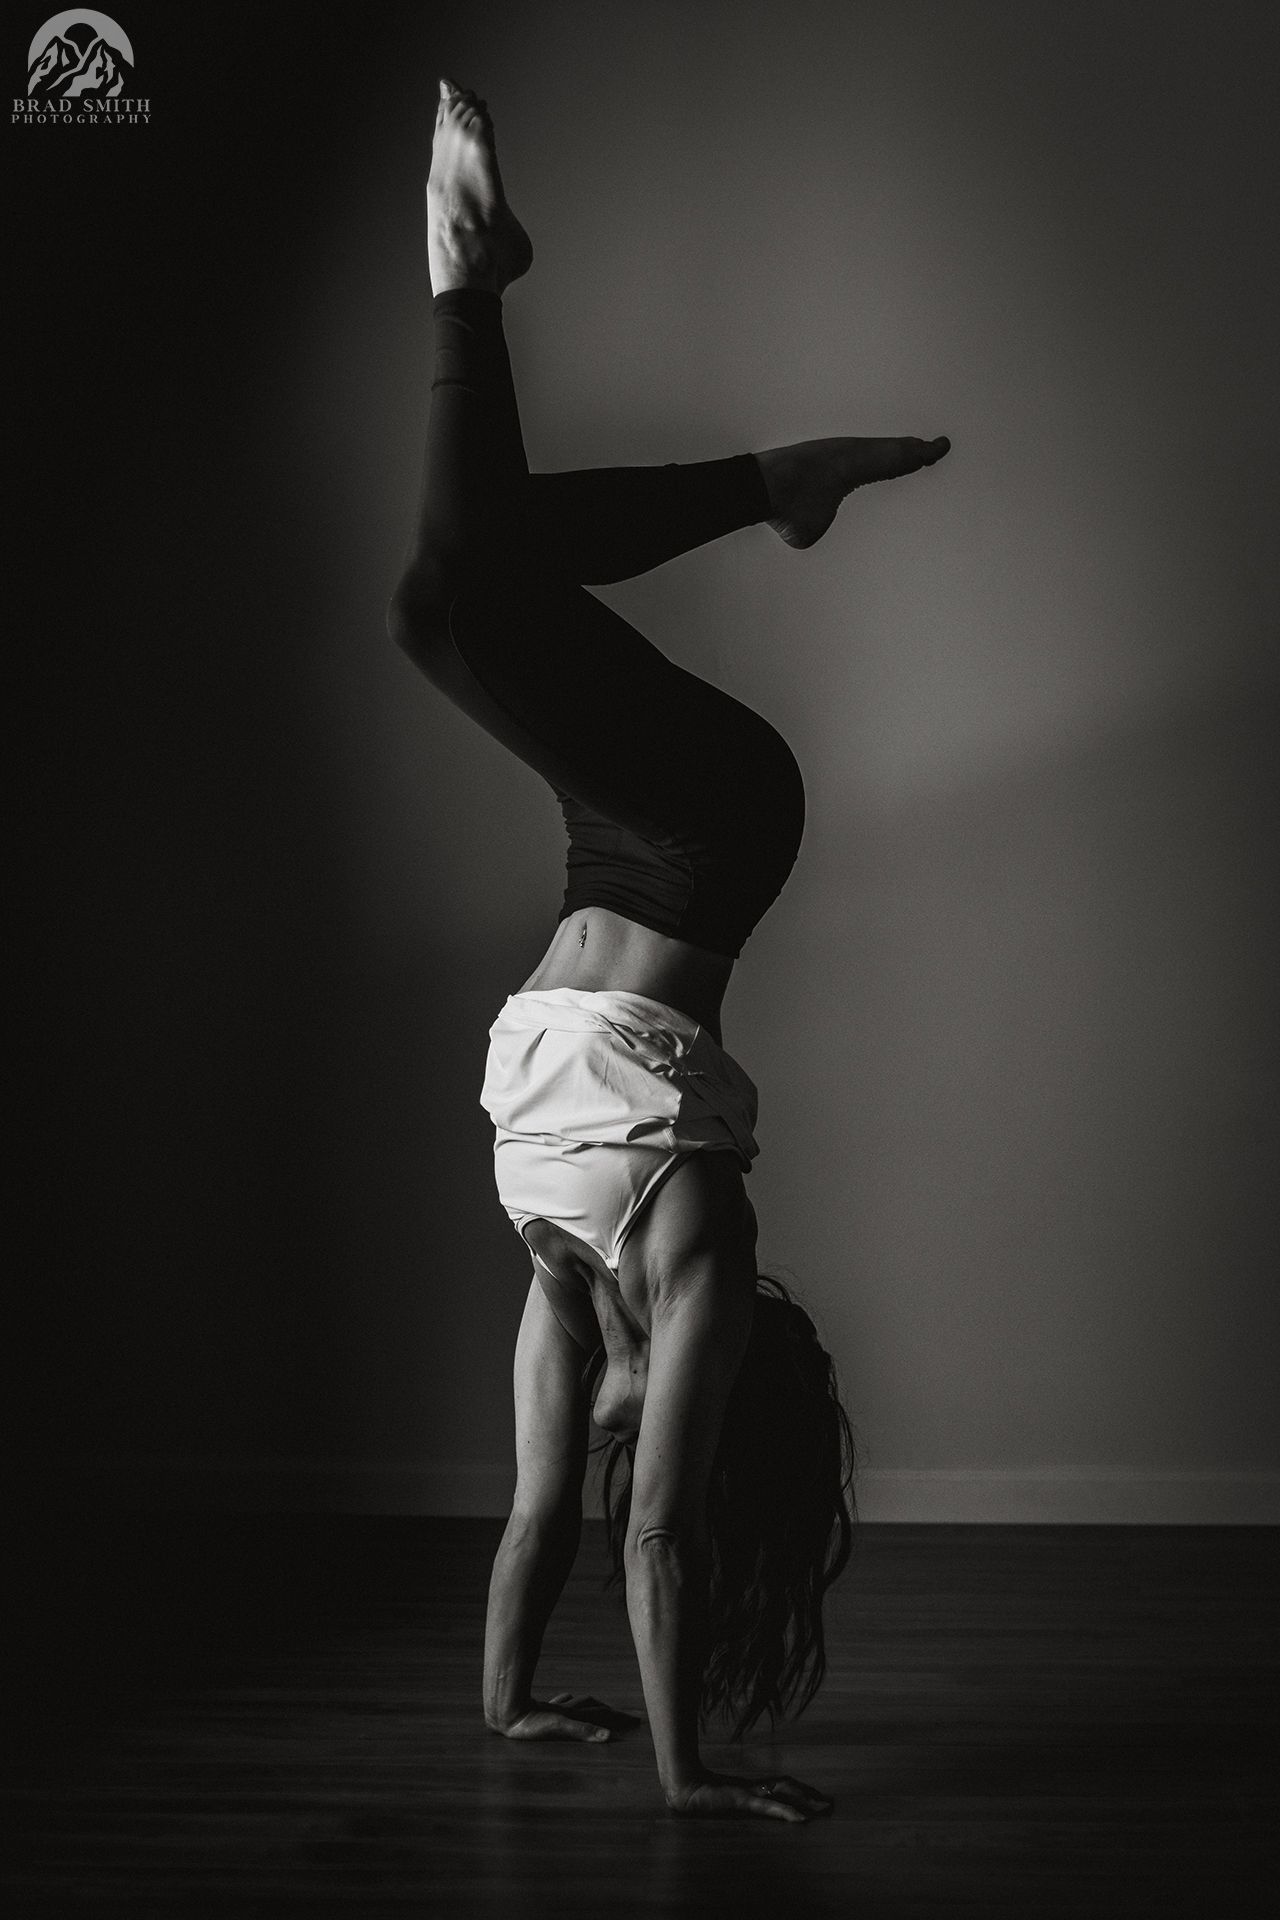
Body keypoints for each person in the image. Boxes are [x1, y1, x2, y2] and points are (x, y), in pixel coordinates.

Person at [387, 78, 951, 1823]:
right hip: (716, 831)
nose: (630, 1427)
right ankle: (467, 281)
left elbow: (546, 1518)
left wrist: (507, 1713)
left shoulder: (564, 1276)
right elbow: (651, 1535)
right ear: (722, 1382)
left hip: (615, 844)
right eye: (670, 1416)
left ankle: (765, 479)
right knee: (471, 595)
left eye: (626, 1417)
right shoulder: (691, 1234)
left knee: (450, 593)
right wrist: (691, 1783)